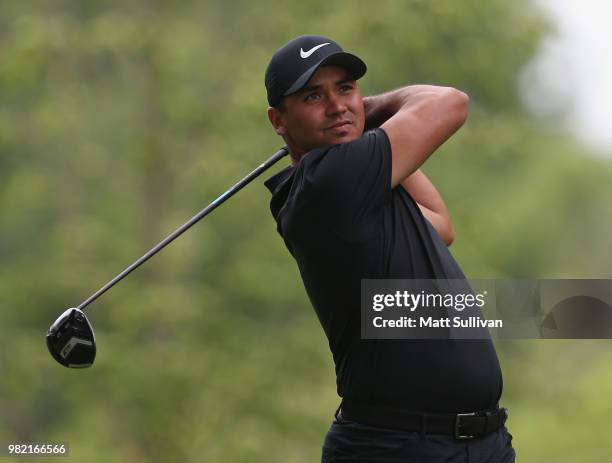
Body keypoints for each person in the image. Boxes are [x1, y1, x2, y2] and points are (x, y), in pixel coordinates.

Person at [263, 35, 515, 463]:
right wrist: (375, 107)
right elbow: (450, 103)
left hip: (475, 443)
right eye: (312, 96)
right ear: (279, 121)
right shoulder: (331, 182)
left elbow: (439, 223)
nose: (337, 105)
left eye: (345, 89)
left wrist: (361, 121)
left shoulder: (354, 187)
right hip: (398, 446)